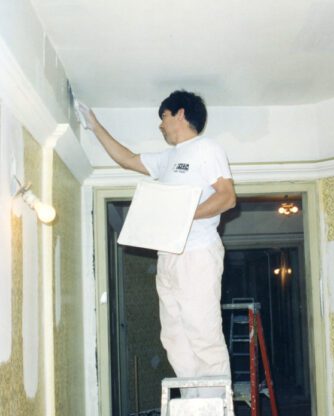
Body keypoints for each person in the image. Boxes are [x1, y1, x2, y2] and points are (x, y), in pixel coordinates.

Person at [78, 90, 236, 397]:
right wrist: (94, 125)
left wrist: (183, 216)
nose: (160, 126)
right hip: (169, 255)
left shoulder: (206, 148)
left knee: (202, 332)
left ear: (179, 113)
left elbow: (227, 197)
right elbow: (126, 159)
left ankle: (214, 409)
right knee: (174, 335)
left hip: (198, 253)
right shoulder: (167, 159)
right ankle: (194, 406)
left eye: (162, 117)